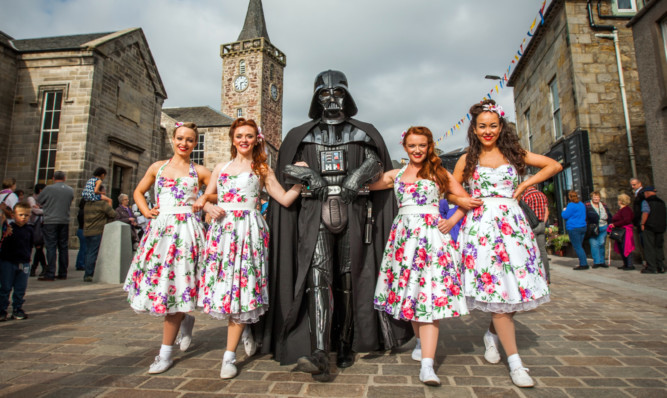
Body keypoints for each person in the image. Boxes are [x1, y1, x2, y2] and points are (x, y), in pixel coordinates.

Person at [262, 70, 411, 382]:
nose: (331, 98)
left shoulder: (364, 132)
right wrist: (308, 176)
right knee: (317, 278)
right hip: (314, 212)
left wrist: (359, 175)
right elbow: (285, 167)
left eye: (337, 93)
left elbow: (377, 162)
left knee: (347, 279)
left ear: (347, 95)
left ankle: (344, 344)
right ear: (316, 98)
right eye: (325, 94)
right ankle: (319, 350)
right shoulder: (300, 134)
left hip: (353, 211)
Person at [452, 100, 561, 388]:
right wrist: (462, 199)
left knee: (514, 291)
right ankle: (516, 363)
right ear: (474, 130)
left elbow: (554, 164)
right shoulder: (467, 159)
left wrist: (525, 185)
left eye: (493, 125)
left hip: (513, 228)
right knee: (500, 296)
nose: (488, 131)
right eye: (482, 126)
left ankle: (491, 334)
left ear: (501, 127)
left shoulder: (515, 154)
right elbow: (451, 190)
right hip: (482, 230)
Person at [193, 118, 303, 379]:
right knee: (226, 287)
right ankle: (247, 331)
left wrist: (300, 181)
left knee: (242, 286)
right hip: (222, 233)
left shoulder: (262, 169)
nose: (244, 140)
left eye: (249, 136)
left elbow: (285, 199)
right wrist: (207, 206)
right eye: (240, 135)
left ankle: (229, 356)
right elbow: (207, 197)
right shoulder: (221, 167)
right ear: (233, 138)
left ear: (257, 139)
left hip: (249, 231)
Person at [371, 126, 470, 386]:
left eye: (422, 145)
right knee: (414, 296)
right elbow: (365, 185)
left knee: (429, 299)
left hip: (432, 240)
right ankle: (419, 342)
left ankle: (428, 365)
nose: (417, 150)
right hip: (404, 241)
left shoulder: (439, 172)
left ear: (429, 147)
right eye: (412, 145)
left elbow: (467, 200)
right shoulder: (396, 174)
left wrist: (451, 221)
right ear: (405, 147)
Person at [123, 122, 211, 374]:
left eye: (190, 140)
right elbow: (138, 191)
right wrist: (145, 210)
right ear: (173, 139)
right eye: (180, 138)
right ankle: (184, 321)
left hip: (187, 234)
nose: (184, 143)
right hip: (160, 234)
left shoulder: (200, 172)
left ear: (195, 144)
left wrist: (204, 197)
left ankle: (165, 354)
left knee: (178, 287)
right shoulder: (157, 167)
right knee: (165, 286)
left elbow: (221, 192)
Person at [0, 202, 35, 321]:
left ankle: (17, 308)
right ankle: (2, 309)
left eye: (26, 215)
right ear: (14, 215)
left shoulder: (30, 229)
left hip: (24, 262)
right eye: (20, 214)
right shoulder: (9, 229)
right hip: (8, 262)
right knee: (5, 287)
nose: (23, 217)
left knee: (20, 288)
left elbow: (30, 245)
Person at [37, 171, 74, 281]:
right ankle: (63, 272)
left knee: (51, 246)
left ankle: (50, 272)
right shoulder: (70, 190)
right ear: (64, 178)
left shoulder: (48, 189)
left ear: (53, 178)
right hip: (64, 220)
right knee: (63, 246)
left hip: (50, 220)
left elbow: (40, 201)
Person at [520, 176, 551, 281]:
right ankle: (546, 276)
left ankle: (535, 277)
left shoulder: (526, 196)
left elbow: (523, 211)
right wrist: (543, 222)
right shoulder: (542, 195)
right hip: (541, 224)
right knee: (542, 251)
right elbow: (547, 210)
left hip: (531, 226)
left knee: (530, 251)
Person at [83, 185, 116, 282]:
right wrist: (109, 201)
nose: (105, 193)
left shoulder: (87, 203)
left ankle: (88, 272)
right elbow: (113, 214)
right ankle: (89, 274)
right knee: (93, 253)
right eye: (104, 191)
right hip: (98, 231)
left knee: (89, 252)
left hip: (87, 230)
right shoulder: (102, 204)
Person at [639, 186, 665, 274]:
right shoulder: (661, 202)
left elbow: (645, 213)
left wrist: (642, 223)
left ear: (647, 193)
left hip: (649, 226)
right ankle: (660, 266)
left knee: (649, 247)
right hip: (660, 227)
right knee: (658, 247)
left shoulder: (646, 201)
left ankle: (652, 267)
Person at [561, 191, 588, 270]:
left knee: (577, 247)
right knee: (580, 246)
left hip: (574, 227)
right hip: (582, 226)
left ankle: (583, 264)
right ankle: (583, 262)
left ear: (569, 197)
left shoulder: (571, 205)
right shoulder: (581, 204)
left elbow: (565, 215)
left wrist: (564, 210)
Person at [585, 191, 611, 269]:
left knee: (601, 243)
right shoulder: (587, 205)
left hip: (603, 226)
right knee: (594, 244)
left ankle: (602, 261)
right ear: (592, 197)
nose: (596, 198)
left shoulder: (603, 205)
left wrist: (610, 223)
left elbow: (608, 214)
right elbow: (585, 215)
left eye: (597, 197)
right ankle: (596, 261)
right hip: (592, 227)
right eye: (594, 197)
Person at [609, 194, 635, 270]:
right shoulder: (621, 209)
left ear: (621, 201)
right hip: (620, 230)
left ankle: (629, 264)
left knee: (626, 247)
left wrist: (615, 224)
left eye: (619, 200)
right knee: (621, 247)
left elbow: (627, 220)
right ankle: (626, 263)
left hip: (625, 230)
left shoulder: (626, 209)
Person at [28, 184, 47, 276]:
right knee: (37, 247)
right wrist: (45, 210)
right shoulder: (31, 199)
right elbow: (35, 210)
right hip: (32, 225)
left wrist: (40, 208)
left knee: (39, 247)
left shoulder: (45, 199)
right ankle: (42, 267)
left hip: (41, 225)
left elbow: (39, 210)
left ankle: (35, 268)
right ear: (40, 190)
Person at [630, 178, 646, 264]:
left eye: (634, 184)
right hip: (639, 221)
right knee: (642, 242)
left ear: (640, 183)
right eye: (632, 185)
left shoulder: (642, 193)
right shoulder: (638, 193)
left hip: (642, 221)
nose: (633, 187)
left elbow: (643, 210)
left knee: (645, 242)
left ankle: (648, 262)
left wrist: (641, 222)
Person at [75, 199, 87, 271]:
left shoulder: (80, 211)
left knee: (83, 248)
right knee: (83, 248)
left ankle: (80, 263)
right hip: (83, 230)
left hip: (80, 230)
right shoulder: (83, 212)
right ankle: (81, 264)